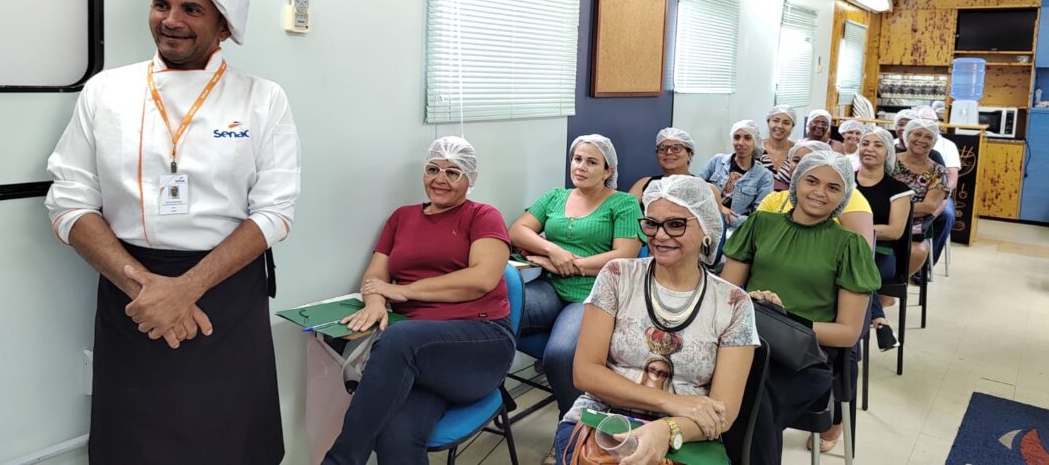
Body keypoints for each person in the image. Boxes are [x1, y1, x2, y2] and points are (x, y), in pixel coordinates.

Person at [45, 0, 300, 464]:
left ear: (223, 27)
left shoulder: (262, 98)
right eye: (162, 4)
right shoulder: (105, 91)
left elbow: (275, 212)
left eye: (191, 9)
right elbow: (69, 202)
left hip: (226, 291)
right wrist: (148, 289)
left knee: (229, 441)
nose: (171, 20)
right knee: (133, 444)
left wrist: (187, 290)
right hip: (131, 291)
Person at [322, 137, 515, 465]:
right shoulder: (401, 218)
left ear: (471, 179)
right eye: (432, 169)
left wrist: (404, 291)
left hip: (481, 343)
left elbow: (481, 279)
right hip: (420, 356)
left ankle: (341, 460)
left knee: (399, 338)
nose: (440, 179)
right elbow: (375, 279)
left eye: (453, 172)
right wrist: (374, 302)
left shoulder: (483, 215)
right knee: (396, 435)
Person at [553, 176, 757, 465]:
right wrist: (670, 402)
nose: (660, 236)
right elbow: (585, 373)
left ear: (706, 229)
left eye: (676, 224)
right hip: (603, 418)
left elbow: (723, 411)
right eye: (651, 223)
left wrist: (667, 428)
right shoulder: (617, 276)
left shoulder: (733, 304)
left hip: (689, 434)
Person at [722, 151, 880, 463]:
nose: (820, 193)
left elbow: (848, 333)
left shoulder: (849, 246)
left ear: (844, 195)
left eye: (833, 188)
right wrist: (752, 303)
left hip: (805, 361)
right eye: (812, 181)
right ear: (796, 182)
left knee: (752, 393)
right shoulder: (760, 224)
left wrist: (784, 321)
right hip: (746, 342)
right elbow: (725, 295)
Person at [509, 134, 642, 443]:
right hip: (550, 286)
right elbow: (517, 230)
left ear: (608, 170)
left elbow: (625, 255)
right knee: (493, 315)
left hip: (591, 296)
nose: (581, 167)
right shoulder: (555, 196)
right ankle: (486, 390)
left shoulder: (623, 204)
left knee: (559, 354)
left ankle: (570, 428)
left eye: (592, 162)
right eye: (577, 159)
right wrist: (554, 253)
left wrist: (573, 264)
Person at [855, 128, 913, 351]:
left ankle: (851, 346)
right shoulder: (845, 182)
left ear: (888, 153)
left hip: (881, 254)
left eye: (877, 145)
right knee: (849, 268)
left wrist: (856, 228)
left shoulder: (898, 190)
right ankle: (879, 322)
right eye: (865, 143)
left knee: (855, 271)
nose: (869, 148)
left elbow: (895, 231)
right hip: (844, 251)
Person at [893, 119, 951, 278]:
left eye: (928, 137)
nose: (921, 140)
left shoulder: (939, 172)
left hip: (913, 223)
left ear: (934, 142)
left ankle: (894, 285)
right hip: (880, 218)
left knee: (918, 251)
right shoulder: (888, 161)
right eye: (917, 134)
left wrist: (892, 211)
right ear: (906, 136)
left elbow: (929, 207)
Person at [700, 120, 774, 229]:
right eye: (737, 137)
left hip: (736, 232)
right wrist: (718, 208)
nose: (740, 143)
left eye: (747, 138)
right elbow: (696, 187)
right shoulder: (717, 161)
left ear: (756, 142)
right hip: (704, 223)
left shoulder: (764, 176)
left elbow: (759, 218)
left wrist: (728, 218)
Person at [912, 106, 960, 266]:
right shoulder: (898, 144)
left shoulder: (948, 146)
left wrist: (942, 196)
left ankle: (924, 264)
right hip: (906, 196)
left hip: (939, 194)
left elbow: (952, 177)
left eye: (930, 123)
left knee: (945, 216)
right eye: (920, 125)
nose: (922, 138)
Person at [760, 105, 798, 189]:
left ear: (792, 127)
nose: (780, 126)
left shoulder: (797, 152)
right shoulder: (756, 149)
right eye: (775, 121)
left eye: (786, 123)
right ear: (768, 122)